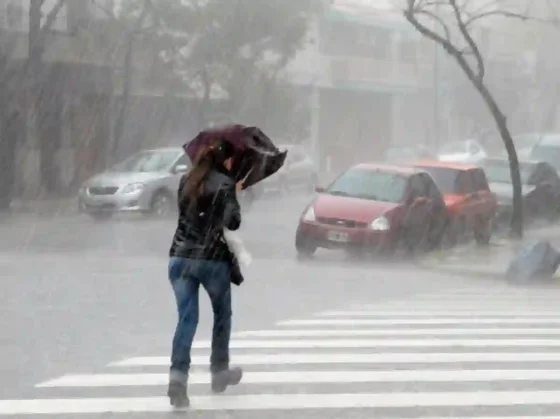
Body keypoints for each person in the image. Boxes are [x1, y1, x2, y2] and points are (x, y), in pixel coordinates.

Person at [167, 139, 243, 408]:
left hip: (179, 258)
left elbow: (189, 217)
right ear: (225, 160)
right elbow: (233, 222)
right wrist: (234, 193)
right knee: (222, 314)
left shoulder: (185, 181)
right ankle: (219, 371)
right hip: (211, 260)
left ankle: (177, 379)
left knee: (187, 319)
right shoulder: (224, 183)